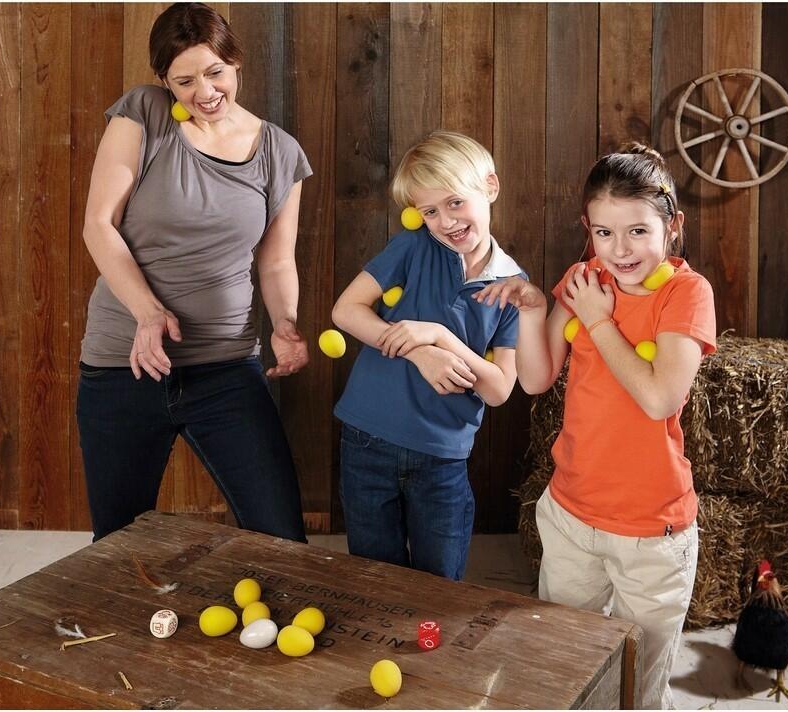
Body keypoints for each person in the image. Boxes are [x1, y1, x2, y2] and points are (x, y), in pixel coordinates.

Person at [475, 143, 716, 709]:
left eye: (637, 231)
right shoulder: (583, 278)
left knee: (638, 688)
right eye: (604, 233)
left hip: (651, 532)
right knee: (567, 668)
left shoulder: (686, 293)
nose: (619, 250)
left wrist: (600, 322)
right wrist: (535, 309)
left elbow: (659, 398)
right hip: (571, 516)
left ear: (673, 226)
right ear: (588, 229)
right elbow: (535, 379)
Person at [77, 2, 310, 542]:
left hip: (226, 366)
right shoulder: (144, 114)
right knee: (116, 545)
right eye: (184, 81)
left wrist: (285, 323)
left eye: (215, 73)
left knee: (282, 538)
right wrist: (148, 313)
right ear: (164, 81)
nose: (204, 92)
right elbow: (98, 225)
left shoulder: (280, 153)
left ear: (236, 63)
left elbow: (275, 260)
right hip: (123, 366)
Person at [331, 131, 523, 580]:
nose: (446, 222)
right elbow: (346, 310)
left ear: (490, 187)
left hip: (442, 457)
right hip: (368, 440)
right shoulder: (413, 247)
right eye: (430, 212)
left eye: (455, 203)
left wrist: (440, 338)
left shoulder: (513, 286)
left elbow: (499, 389)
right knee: (376, 578)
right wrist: (419, 353)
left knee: (440, 584)